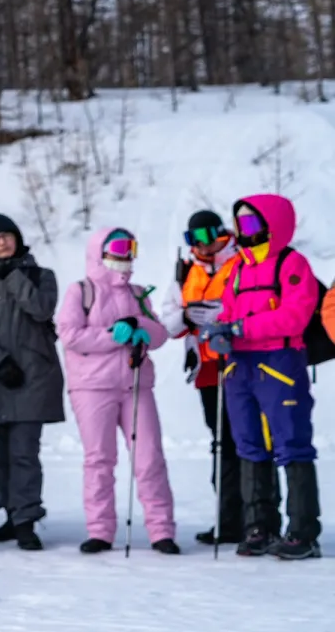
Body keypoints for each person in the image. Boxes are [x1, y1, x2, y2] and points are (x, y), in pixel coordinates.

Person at [203, 195, 321, 559]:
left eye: (251, 223)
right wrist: (220, 331)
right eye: (240, 224)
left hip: (279, 362)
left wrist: (241, 327)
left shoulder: (291, 263)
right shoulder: (236, 268)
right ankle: (259, 525)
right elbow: (227, 309)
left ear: (272, 223)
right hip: (240, 366)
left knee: (291, 443)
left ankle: (303, 530)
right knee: (249, 444)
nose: (244, 230)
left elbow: (295, 316)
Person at [58, 227, 178, 554]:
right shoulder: (80, 292)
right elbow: (69, 334)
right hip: (92, 387)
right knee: (100, 458)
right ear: (101, 252)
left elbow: (159, 333)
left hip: (135, 384)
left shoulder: (138, 293)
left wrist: (141, 329)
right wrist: (114, 335)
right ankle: (100, 530)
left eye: (131, 248)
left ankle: (161, 530)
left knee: (149, 456)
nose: (126, 256)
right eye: (119, 248)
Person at [0, 213, 64, 552]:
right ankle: (11, 513)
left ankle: (26, 520)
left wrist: (16, 277)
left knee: (24, 455)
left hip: (33, 379)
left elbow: (42, 310)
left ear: (18, 240)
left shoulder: (41, 276)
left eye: (7, 236)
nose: (2, 242)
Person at [163, 210, 244, 546]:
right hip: (207, 370)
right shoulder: (185, 272)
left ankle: (254, 519)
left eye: (208, 236)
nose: (203, 244)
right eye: (195, 238)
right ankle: (227, 519)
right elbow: (168, 323)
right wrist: (185, 315)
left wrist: (221, 315)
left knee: (246, 441)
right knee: (222, 442)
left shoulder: (238, 262)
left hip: (240, 364)